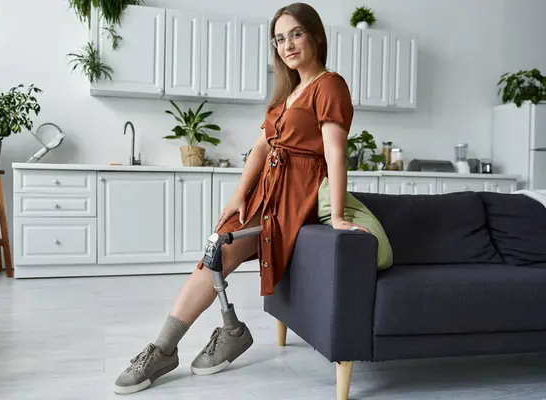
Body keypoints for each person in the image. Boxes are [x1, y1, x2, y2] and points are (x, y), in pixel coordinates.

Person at [113, 2, 392, 395]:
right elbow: (260, 149)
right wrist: (237, 197)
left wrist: (340, 215)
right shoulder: (288, 94)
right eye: (279, 39)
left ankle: (177, 345)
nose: (287, 45)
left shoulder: (329, 85)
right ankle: (190, 340)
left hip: (295, 193)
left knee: (222, 253)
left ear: (315, 35)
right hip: (265, 191)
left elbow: (334, 152)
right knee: (213, 252)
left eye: (295, 33)